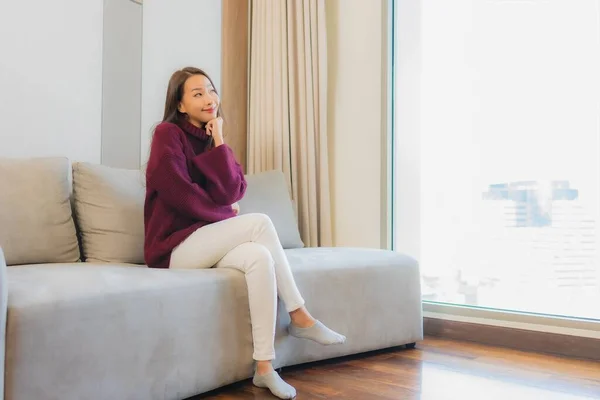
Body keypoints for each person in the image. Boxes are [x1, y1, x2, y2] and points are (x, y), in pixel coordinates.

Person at [143, 67, 346, 399]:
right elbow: (180, 193)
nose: (209, 98)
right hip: (172, 248)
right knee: (259, 222)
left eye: (211, 90)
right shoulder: (167, 134)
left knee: (259, 256)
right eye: (197, 94)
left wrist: (219, 139)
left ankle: (264, 367)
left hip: (206, 241)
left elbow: (233, 192)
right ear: (179, 105)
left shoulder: (210, 139)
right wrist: (225, 213)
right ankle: (299, 314)